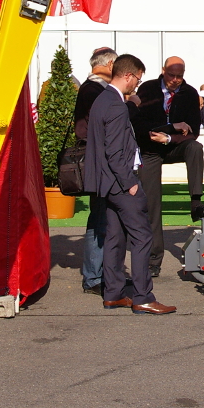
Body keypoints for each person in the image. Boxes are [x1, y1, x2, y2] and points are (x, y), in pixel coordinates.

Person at [83, 54, 175, 315]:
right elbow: (114, 150)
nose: (137, 84)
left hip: (108, 183)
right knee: (142, 236)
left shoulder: (104, 99)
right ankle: (143, 296)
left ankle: (113, 293)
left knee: (114, 237)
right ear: (128, 75)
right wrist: (129, 183)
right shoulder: (114, 104)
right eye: (138, 78)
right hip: (120, 182)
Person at [130, 56, 204, 277]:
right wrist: (168, 128)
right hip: (150, 149)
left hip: (173, 146)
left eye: (180, 76)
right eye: (172, 75)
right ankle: (153, 259)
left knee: (195, 148)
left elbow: (193, 132)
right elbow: (139, 125)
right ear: (163, 71)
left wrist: (169, 139)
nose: (176, 80)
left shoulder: (189, 93)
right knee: (152, 206)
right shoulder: (148, 88)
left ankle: (196, 202)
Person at [72, 47, 118, 295]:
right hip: (99, 165)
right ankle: (93, 277)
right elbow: (86, 129)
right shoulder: (94, 90)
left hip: (100, 163)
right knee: (99, 221)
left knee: (103, 220)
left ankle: (100, 274)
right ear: (110, 64)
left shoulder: (92, 89)